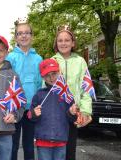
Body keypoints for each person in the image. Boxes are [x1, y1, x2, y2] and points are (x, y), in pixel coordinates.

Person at [52, 25, 92, 160]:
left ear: (73, 43)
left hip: (73, 111)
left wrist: (86, 111)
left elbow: (85, 87)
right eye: (60, 40)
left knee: (70, 150)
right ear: (56, 44)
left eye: (67, 40)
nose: (63, 43)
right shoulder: (52, 61)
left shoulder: (80, 61)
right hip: (55, 113)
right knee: (54, 150)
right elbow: (44, 88)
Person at [6, 19, 43, 160]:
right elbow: (7, 81)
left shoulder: (38, 58)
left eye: (27, 33)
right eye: (20, 33)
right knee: (13, 144)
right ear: (16, 37)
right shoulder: (10, 57)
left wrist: (37, 104)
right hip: (14, 107)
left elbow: (40, 84)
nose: (24, 36)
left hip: (31, 108)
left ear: (32, 36)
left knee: (28, 145)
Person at [29, 58, 77, 160]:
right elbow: (30, 116)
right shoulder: (39, 94)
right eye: (47, 75)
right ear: (43, 77)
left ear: (59, 73)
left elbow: (72, 119)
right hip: (43, 140)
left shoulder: (66, 94)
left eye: (54, 73)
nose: (51, 78)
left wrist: (72, 113)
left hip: (61, 140)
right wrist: (34, 113)